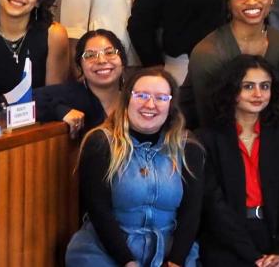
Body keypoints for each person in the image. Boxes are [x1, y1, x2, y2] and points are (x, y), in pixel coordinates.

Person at [65, 66, 206, 267]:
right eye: (142, 95)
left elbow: (191, 213)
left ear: (171, 105)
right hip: (107, 251)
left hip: (170, 251)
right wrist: (127, 262)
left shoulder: (189, 147)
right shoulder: (100, 142)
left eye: (161, 98)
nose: (150, 104)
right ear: (127, 99)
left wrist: (176, 261)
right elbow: (98, 210)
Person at [198, 55, 279, 267]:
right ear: (231, 90)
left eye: (265, 86)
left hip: (278, 240)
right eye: (248, 86)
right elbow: (214, 205)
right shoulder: (207, 138)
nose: (258, 94)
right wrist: (254, 257)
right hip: (227, 245)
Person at [187, 0, 279, 128]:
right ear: (228, 2)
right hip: (212, 134)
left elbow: (278, 111)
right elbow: (208, 119)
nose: (252, 1)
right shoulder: (208, 52)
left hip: (266, 135)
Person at [34, 29, 125, 139]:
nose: (101, 60)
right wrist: (61, 111)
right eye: (90, 55)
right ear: (79, 65)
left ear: (122, 60)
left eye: (109, 53)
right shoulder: (73, 95)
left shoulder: (134, 97)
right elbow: (27, 100)